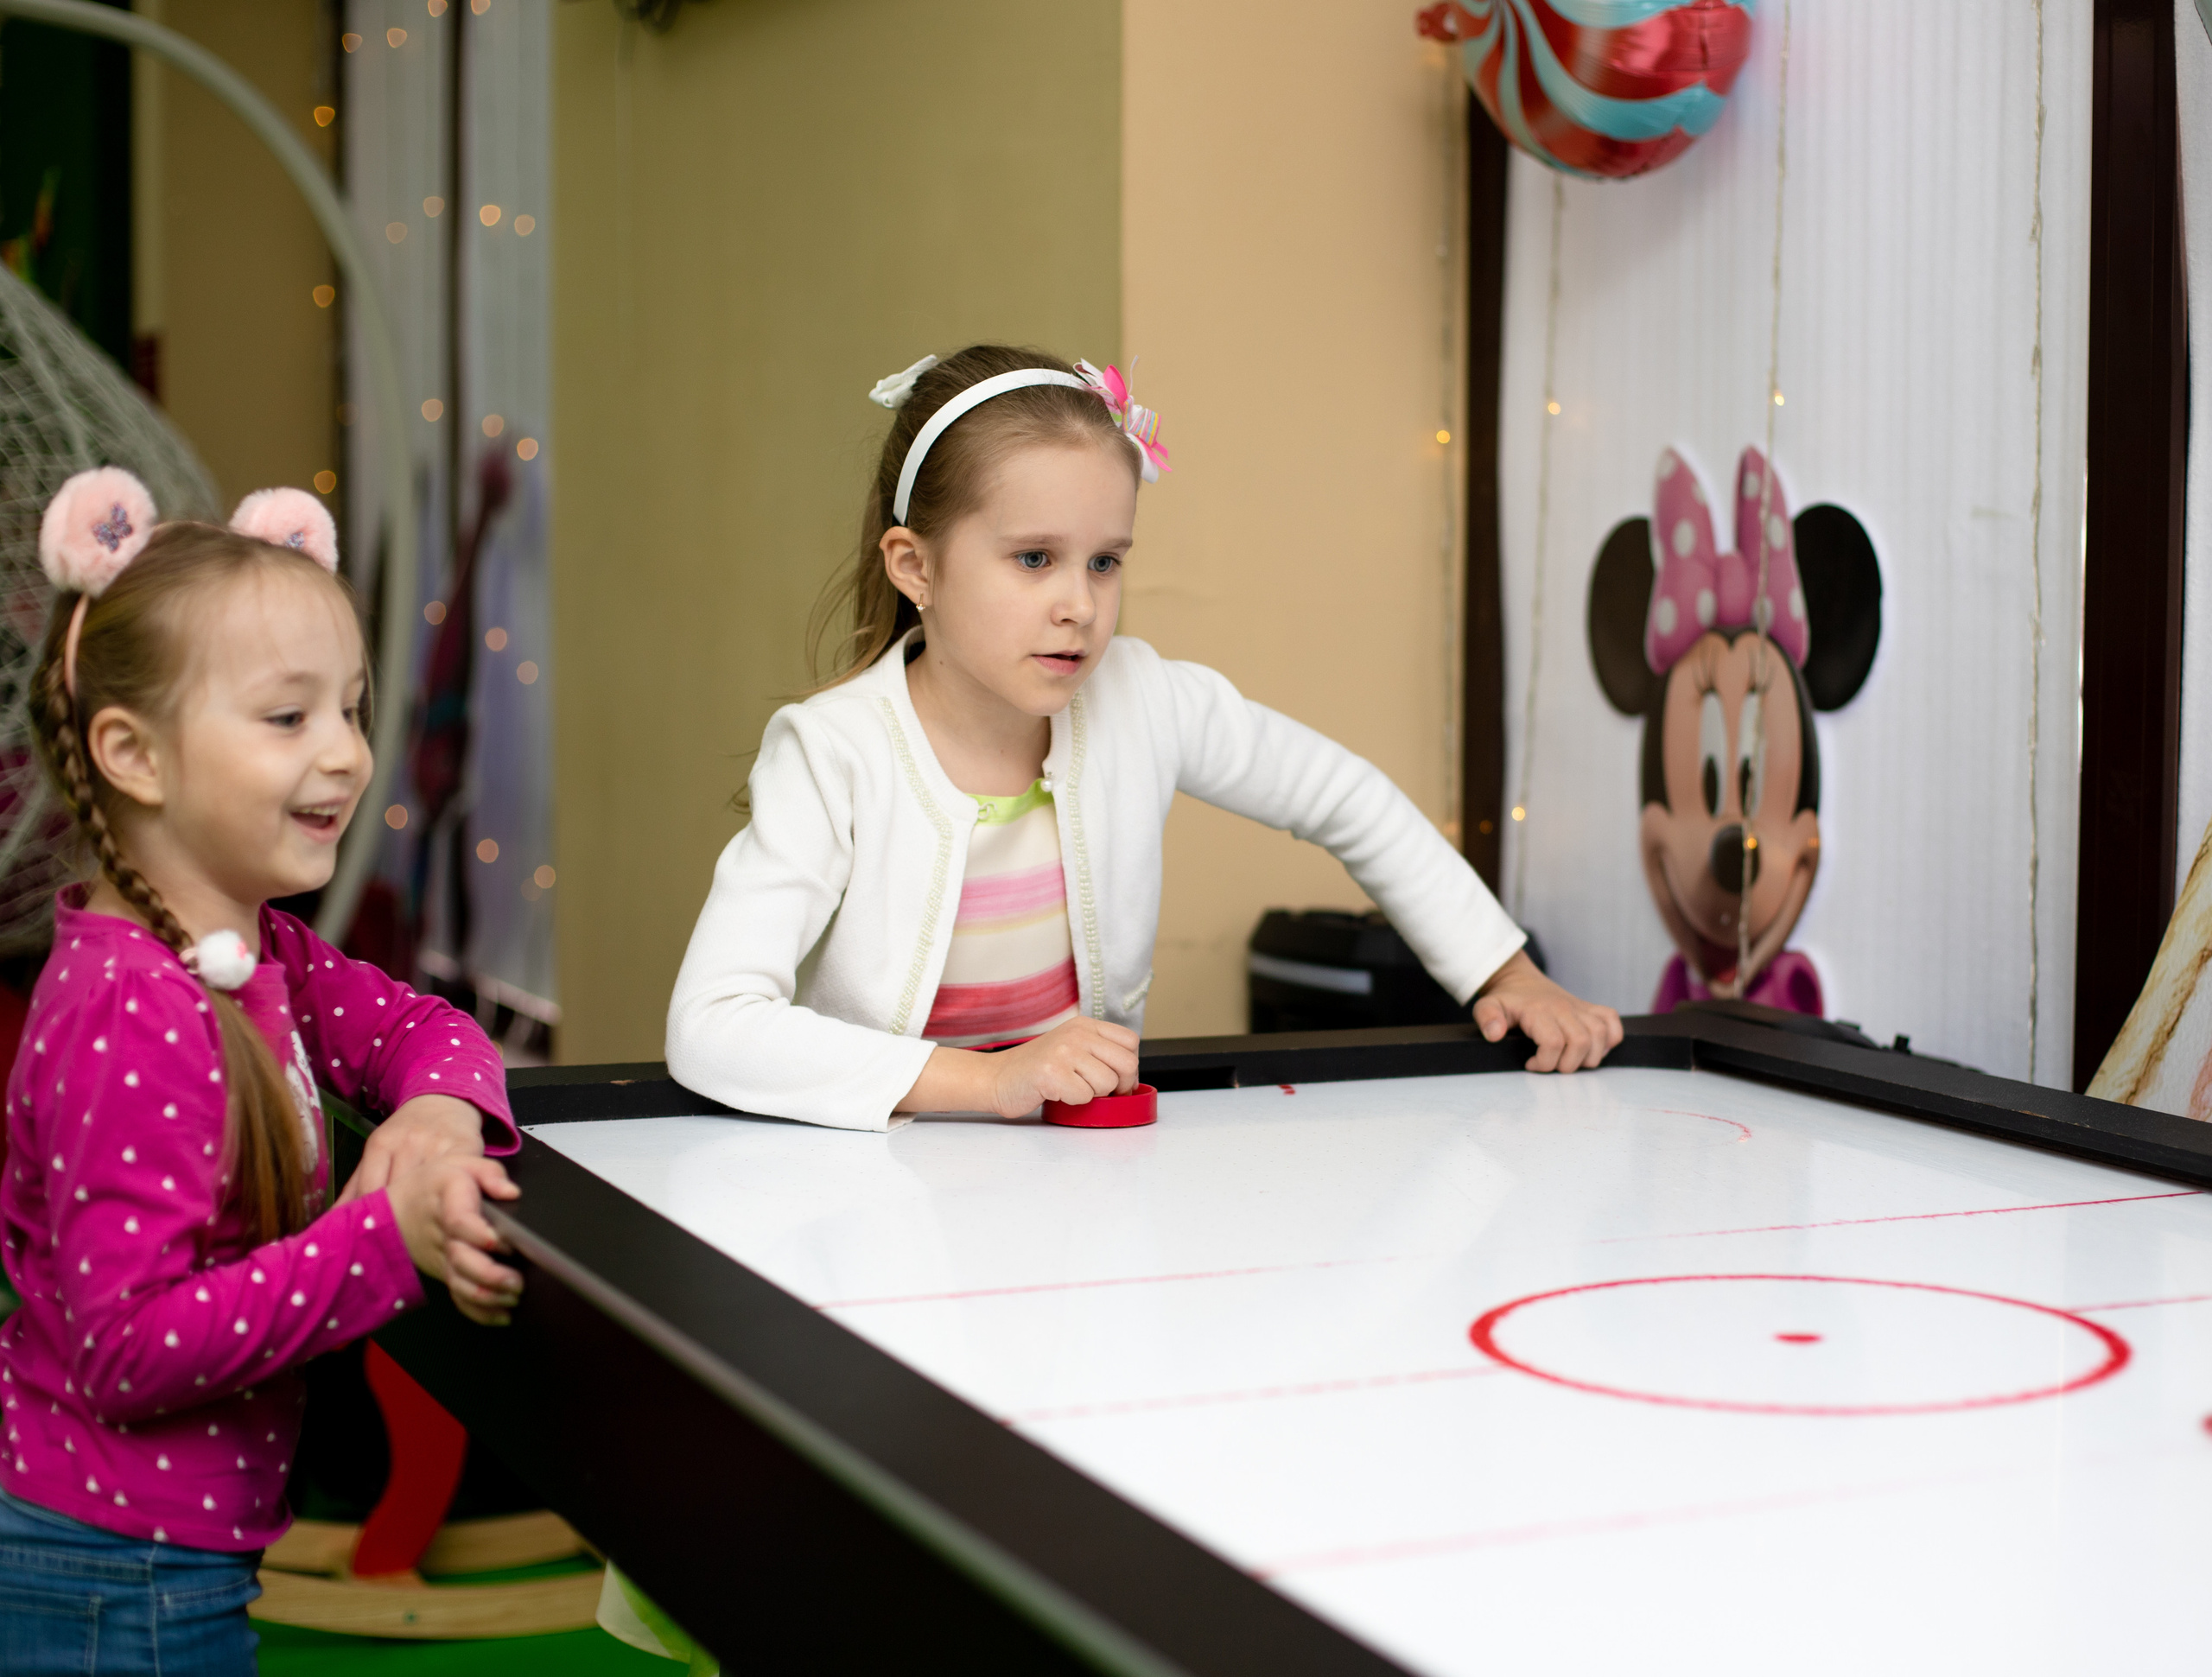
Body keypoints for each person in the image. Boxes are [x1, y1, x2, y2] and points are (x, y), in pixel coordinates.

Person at [667, 345, 1623, 1133]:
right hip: (879, 1192)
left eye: (1105, 561)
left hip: (1079, 1174)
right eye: (1032, 558)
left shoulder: (1143, 699)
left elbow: (1347, 798)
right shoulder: (833, 751)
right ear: (916, 565)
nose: (1077, 605)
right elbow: (713, 1026)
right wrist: (990, 1083)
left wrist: (1509, 974)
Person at [0, 469, 523, 1675]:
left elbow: (422, 1031)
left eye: (352, 707)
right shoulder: (131, 1010)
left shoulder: (252, 948)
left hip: (167, 1555)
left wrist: (438, 1117)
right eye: (289, 719)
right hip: (103, 1575)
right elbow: (125, 1352)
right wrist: (381, 1235)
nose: (346, 753)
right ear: (133, 752)